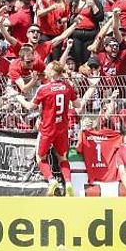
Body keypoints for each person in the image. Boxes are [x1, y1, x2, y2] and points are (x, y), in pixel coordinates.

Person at [14, 61, 80, 196]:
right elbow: (77, 104)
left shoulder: (44, 89)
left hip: (47, 128)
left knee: (40, 157)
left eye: (48, 69)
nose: (46, 70)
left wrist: (18, 97)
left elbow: (29, 107)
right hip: (62, 128)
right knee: (62, 157)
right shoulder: (67, 87)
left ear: (53, 73)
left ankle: (51, 181)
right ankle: (68, 183)